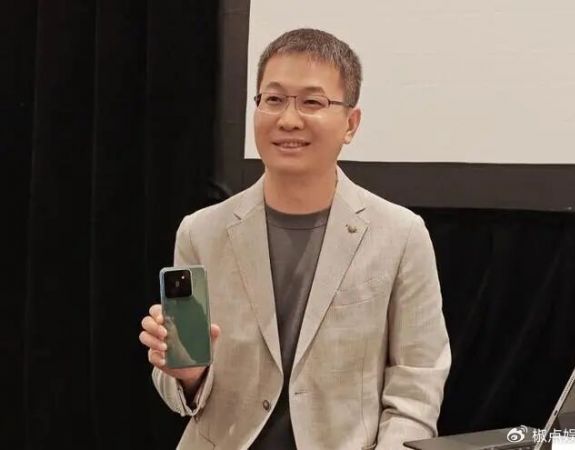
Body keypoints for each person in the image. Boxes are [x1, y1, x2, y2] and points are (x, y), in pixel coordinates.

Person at [139, 28, 451, 450]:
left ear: (351, 123)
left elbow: (416, 388)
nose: (288, 119)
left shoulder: (401, 236)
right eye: (273, 99)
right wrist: (187, 375)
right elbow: (181, 393)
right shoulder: (201, 232)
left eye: (312, 102)